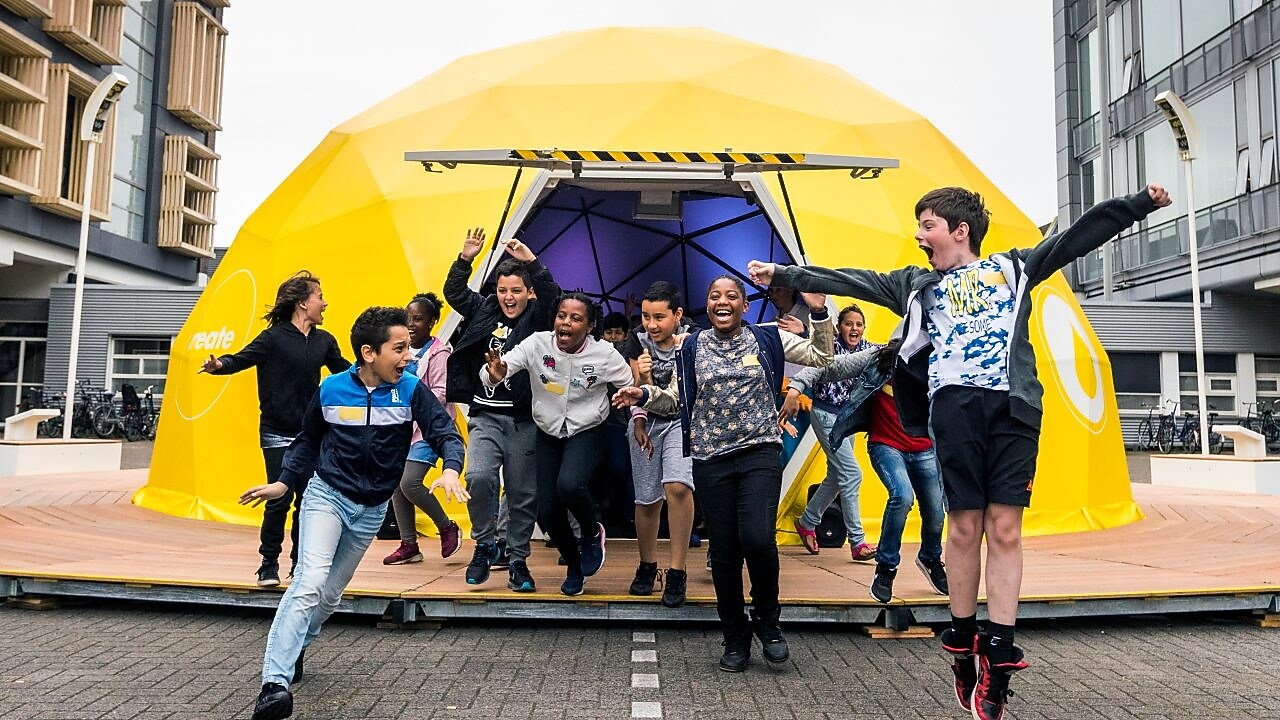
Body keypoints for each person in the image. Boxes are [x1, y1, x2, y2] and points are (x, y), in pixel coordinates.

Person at [747, 183, 1171, 718]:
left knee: (1007, 529)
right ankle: (963, 640)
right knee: (965, 527)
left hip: (1013, 410)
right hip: (953, 412)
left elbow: (1073, 240)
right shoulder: (916, 285)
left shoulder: (1013, 269)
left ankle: (998, 650)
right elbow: (851, 279)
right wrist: (785, 276)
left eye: (927, 226)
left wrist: (1138, 205)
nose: (919, 236)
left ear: (959, 230)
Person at [239, 306, 467, 720]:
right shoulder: (330, 390)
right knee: (308, 582)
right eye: (399, 348)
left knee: (328, 598)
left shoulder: (410, 390)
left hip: (370, 510)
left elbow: (445, 432)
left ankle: (297, 647)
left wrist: (451, 469)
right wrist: (284, 482)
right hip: (327, 496)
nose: (409, 356)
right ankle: (274, 686)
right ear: (368, 353)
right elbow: (308, 441)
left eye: (409, 348)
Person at [614, 274, 833, 673]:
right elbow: (677, 398)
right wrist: (643, 393)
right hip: (710, 458)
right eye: (714, 295)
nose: (722, 301)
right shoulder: (691, 347)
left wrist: (819, 312)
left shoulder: (769, 339)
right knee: (726, 550)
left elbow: (823, 358)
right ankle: (734, 634)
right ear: (706, 304)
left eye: (732, 295)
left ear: (744, 305)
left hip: (759, 453)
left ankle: (768, 622)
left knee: (758, 540)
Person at [200, 271, 350, 588]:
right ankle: (268, 564)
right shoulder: (273, 338)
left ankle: (300, 565)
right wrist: (219, 366)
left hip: (311, 435)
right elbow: (239, 359)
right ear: (302, 302)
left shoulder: (325, 341)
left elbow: (346, 373)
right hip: (276, 431)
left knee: (308, 500)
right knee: (278, 499)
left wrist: (377, 372)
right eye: (319, 296)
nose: (325, 302)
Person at [482, 292, 634, 596]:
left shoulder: (604, 354)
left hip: (588, 429)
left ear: (590, 326)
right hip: (549, 431)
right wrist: (493, 374)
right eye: (562, 316)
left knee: (569, 485)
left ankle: (592, 533)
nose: (566, 322)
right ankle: (575, 567)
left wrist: (633, 403)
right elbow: (501, 368)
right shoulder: (537, 343)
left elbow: (631, 386)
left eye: (576, 318)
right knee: (548, 511)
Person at [781, 338, 947, 604]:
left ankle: (930, 557)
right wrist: (796, 387)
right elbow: (828, 367)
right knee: (902, 496)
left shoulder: (941, 359)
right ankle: (886, 567)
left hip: (924, 448)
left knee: (936, 512)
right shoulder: (879, 357)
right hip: (887, 445)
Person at [444, 228, 560, 593]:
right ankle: (484, 544)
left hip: (524, 418)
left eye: (516, 291)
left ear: (528, 293)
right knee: (478, 477)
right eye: (502, 290)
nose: (508, 297)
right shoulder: (485, 309)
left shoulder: (540, 316)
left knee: (523, 492)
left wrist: (532, 261)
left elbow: (554, 296)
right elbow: (454, 293)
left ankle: (518, 561)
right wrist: (466, 258)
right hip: (485, 415)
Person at [620, 281, 695, 608]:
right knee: (648, 498)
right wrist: (637, 421)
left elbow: (686, 392)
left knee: (678, 487)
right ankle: (648, 564)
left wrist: (651, 381)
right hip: (646, 421)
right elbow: (634, 389)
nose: (652, 325)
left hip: (681, 419)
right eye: (646, 317)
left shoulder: (694, 340)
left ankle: (677, 571)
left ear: (677, 314)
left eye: (659, 317)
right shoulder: (635, 341)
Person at [787, 304, 878, 561]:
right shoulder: (831, 347)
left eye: (859, 324)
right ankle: (858, 542)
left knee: (838, 477)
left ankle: (807, 521)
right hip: (825, 414)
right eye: (849, 324)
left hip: (848, 419)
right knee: (852, 473)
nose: (854, 328)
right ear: (840, 327)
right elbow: (813, 349)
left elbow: (889, 352)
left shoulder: (867, 350)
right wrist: (804, 330)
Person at [382, 293, 463, 564]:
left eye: (419, 319)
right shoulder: (397, 350)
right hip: (402, 427)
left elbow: (442, 392)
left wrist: (415, 389)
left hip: (428, 429)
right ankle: (409, 545)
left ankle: (446, 526)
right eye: (408, 318)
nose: (412, 324)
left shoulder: (439, 353)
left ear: (433, 322)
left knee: (410, 482)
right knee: (396, 484)